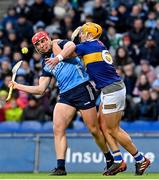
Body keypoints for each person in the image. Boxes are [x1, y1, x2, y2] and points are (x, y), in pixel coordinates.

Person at [45, 22, 151, 176]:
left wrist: (55, 44)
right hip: (111, 89)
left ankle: (140, 159)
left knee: (112, 129)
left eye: (83, 32)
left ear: (89, 35)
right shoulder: (96, 44)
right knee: (103, 125)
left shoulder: (88, 46)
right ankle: (118, 160)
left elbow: (68, 55)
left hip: (112, 90)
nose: (80, 35)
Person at [8, 31, 114, 176]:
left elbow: (71, 45)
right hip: (65, 95)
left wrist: (58, 58)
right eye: (38, 44)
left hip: (82, 88)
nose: (42, 45)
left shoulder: (58, 43)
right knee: (58, 128)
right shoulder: (45, 62)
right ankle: (60, 167)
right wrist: (17, 86)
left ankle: (110, 159)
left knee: (94, 130)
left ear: (48, 39)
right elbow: (40, 89)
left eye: (43, 41)